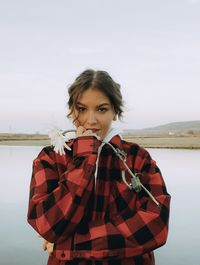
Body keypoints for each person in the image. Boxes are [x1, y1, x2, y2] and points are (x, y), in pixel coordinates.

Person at [27, 69, 171, 265]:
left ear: (115, 111)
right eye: (81, 109)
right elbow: (48, 224)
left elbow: (156, 228)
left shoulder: (138, 159)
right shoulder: (52, 158)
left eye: (102, 109)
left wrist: (70, 245)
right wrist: (84, 158)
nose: (91, 120)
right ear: (71, 110)